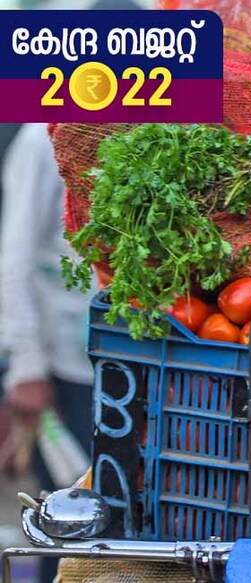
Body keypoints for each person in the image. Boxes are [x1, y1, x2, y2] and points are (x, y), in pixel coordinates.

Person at [0, 123, 95, 583]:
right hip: (65, 369)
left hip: (119, 366)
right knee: (62, 516)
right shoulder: (40, 139)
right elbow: (12, 258)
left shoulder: (138, 125)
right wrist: (27, 365)